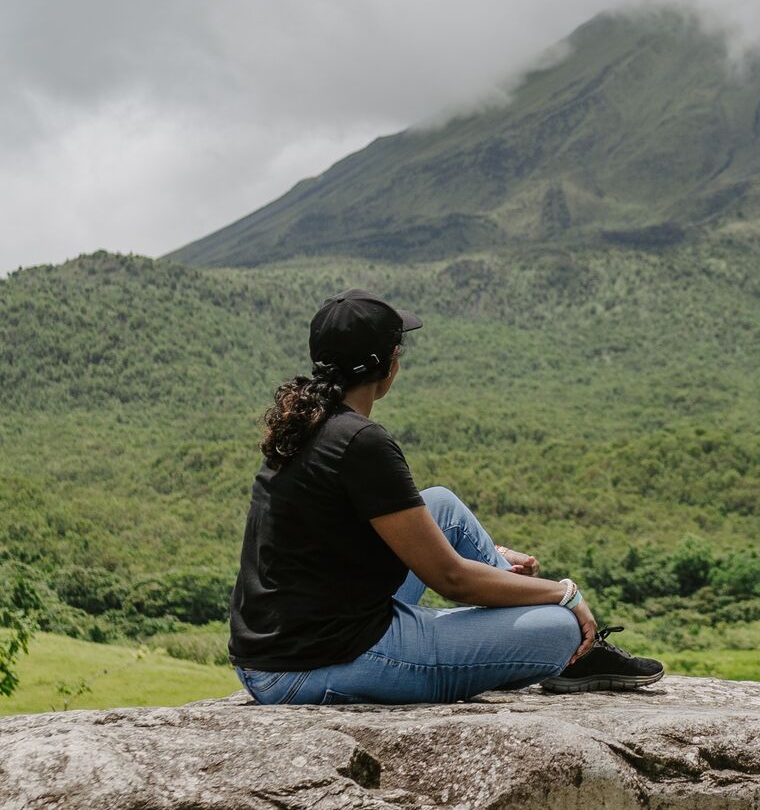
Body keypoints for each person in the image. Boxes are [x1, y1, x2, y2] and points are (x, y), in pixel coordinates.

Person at [227, 288, 663, 703]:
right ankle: (572, 650)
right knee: (561, 627)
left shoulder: (304, 422)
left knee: (440, 506)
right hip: (312, 664)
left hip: (283, 649)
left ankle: (521, 615)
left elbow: (341, 537)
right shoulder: (361, 441)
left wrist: (492, 564)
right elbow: (449, 578)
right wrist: (563, 593)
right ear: (389, 365)